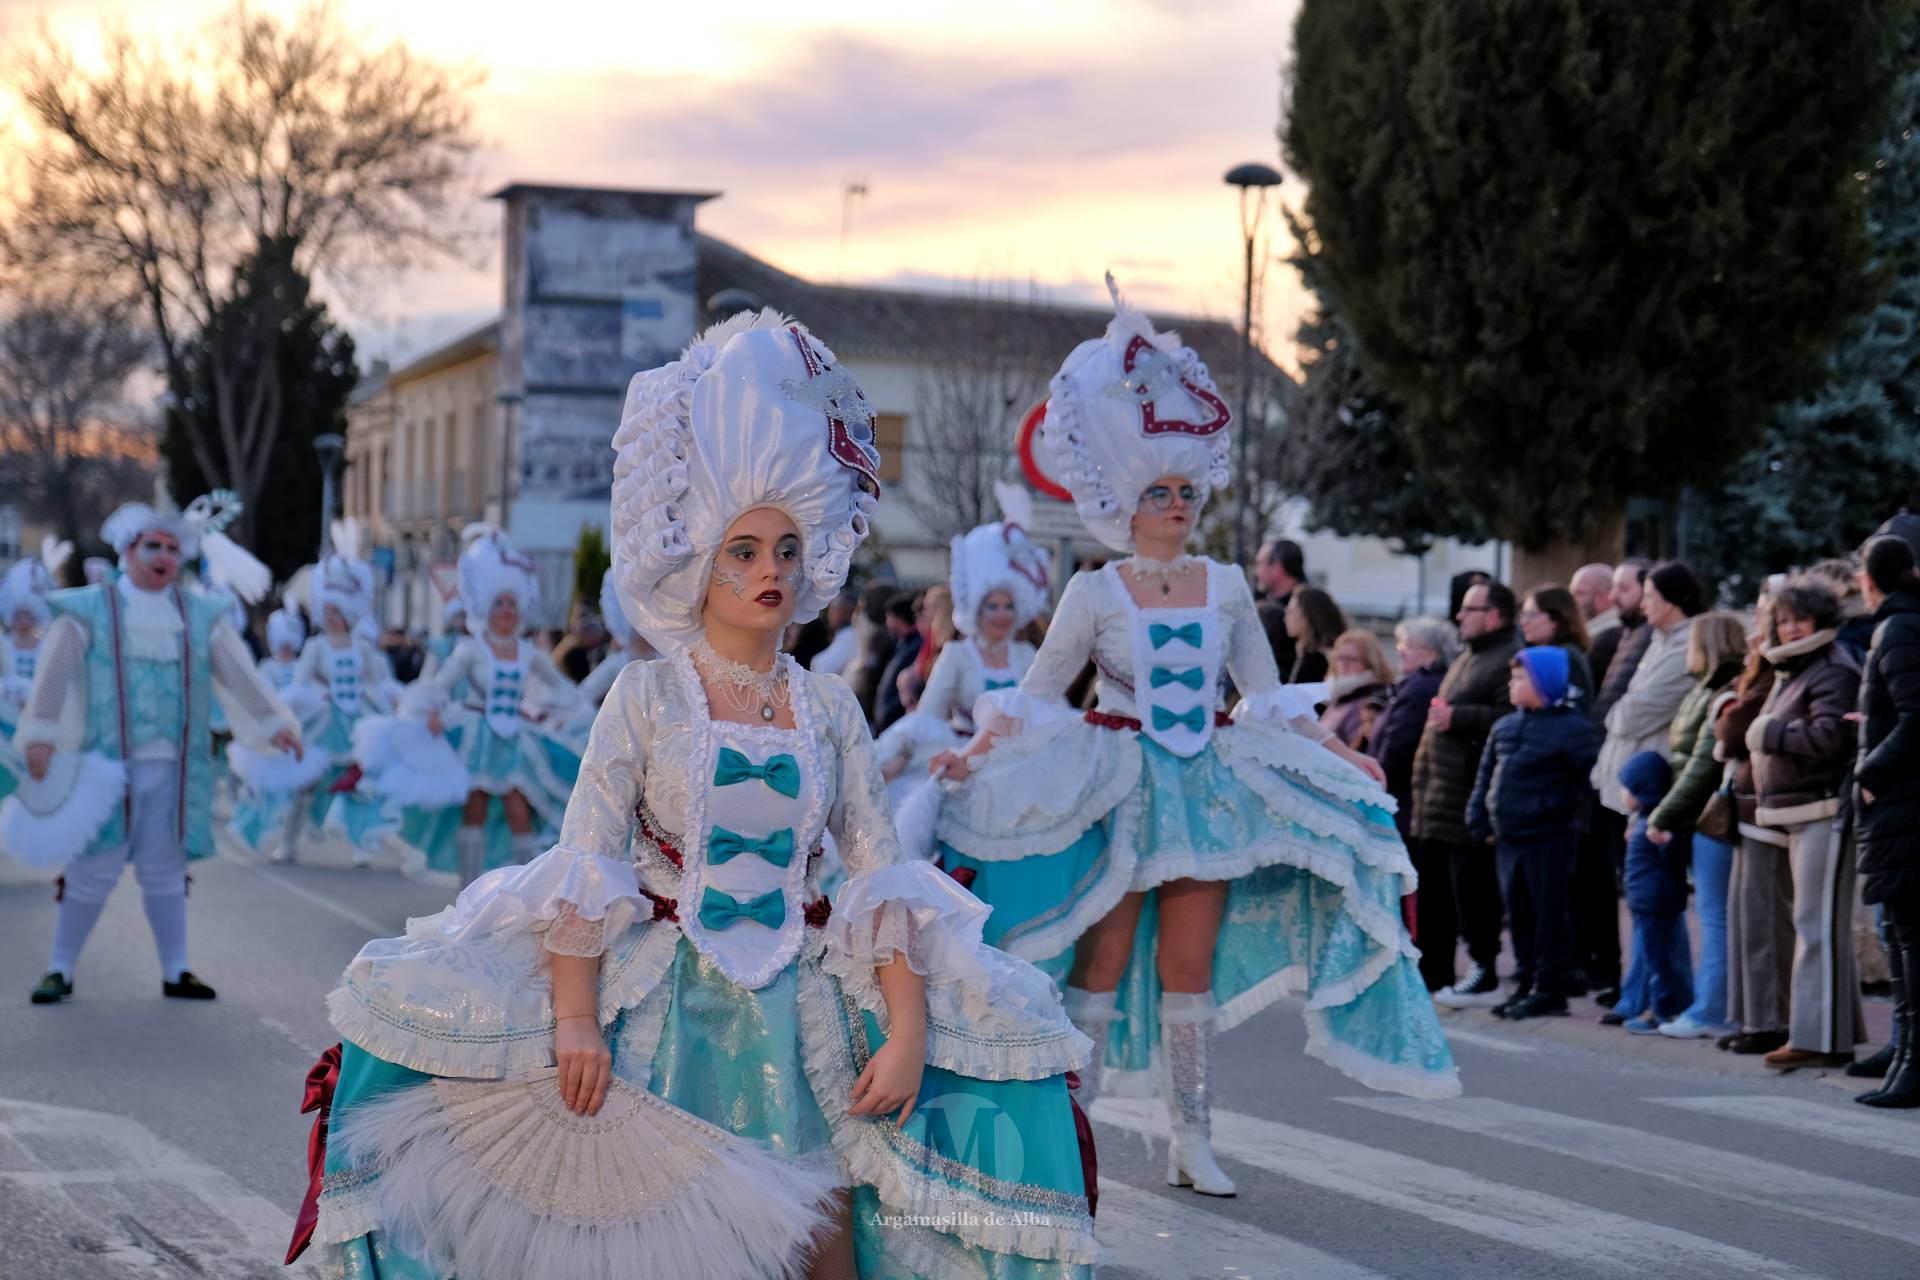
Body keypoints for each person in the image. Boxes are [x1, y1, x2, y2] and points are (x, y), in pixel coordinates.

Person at [301, 308, 1098, 1280]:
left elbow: (878, 877)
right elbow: (586, 860)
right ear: (700, 564)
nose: (771, 571)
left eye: (788, 550)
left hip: (801, 1016)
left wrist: (908, 1029)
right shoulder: (646, 695)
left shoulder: (830, 707)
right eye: (744, 550)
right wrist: (575, 1020)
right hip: (665, 1015)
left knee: (826, 1250)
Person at [930, 278, 1458, 1199]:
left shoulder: (1226, 587)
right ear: (1125, 503)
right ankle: (1074, 1132)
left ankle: (1192, 1138)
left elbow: (1266, 697)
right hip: (1115, 786)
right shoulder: (1094, 591)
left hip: (1206, 792)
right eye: (1160, 492)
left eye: (1186, 490)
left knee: (1188, 966)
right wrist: (973, 757)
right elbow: (1039, 694)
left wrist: (1342, 753)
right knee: (1101, 959)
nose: (1178, 504)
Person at [17, 487, 299, 1005]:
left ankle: (176, 970)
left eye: (172, 548)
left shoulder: (198, 614)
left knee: (166, 870)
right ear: (128, 551)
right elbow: (54, 674)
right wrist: (40, 735)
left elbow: (239, 674)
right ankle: (60, 967)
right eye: (153, 546)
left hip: (176, 770)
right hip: (106, 768)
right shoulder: (90, 609)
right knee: (92, 869)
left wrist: (273, 724)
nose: (164, 556)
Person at [369, 526, 589, 886]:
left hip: (515, 740)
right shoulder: (471, 650)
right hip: (479, 738)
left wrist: (561, 714)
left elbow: (561, 689)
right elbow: (439, 685)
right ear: (485, 606)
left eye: (512, 604)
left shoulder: (528, 653)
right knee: (476, 809)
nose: (506, 611)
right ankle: (468, 887)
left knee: (521, 811)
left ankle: (525, 890)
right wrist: (432, 712)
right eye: (499, 603)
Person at [1744, 578, 1865, 1071]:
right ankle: (1830, 1033)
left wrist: (1769, 732)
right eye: (1783, 620)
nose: (1790, 629)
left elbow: (1830, 737)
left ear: (1821, 619)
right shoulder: (1796, 666)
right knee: (1816, 925)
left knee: (1817, 927)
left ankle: (1816, 1039)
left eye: (1800, 619)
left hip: (1824, 810)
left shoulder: (1831, 667)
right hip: (1800, 812)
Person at [1466, 646, 1603, 1019]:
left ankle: (1549, 989)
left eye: (1520, 677)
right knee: (1519, 914)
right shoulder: (1505, 726)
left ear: (1544, 682)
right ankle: (1524, 982)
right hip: (1508, 836)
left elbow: (1590, 783)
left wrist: (1557, 811)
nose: (1512, 684)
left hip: (1550, 836)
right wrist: (1479, 819)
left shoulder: (1574, 729)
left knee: (1548, 915)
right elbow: (1485, 777)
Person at [1642, 612, 1750, 1038]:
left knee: (1715, 917)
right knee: (1715, 916)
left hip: (1712, 819)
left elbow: (1702, 766)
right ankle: (1714, 1007)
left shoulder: (1721, 694)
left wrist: (1663, 814)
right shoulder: (1707, 689)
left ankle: (1711, 1012)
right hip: (1702, 816)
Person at [1416, 580, 1523, 1007]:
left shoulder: (1507, 658)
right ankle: (1435, 971)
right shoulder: (1470, 654)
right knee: (1440, 892)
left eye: (1469, 609)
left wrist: (1460, 717)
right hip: (1439, 795)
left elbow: (1511, 717)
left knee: (1474, 892)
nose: (1459, 616)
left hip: (1467, 796)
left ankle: (1484, 972)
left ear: (1494, 616)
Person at [1851, 535, 1920, 1106]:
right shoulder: (1899, 625)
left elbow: (1916, 716)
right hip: (1898, 805)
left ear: (1870, 578)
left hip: (1902, 805)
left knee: (1907, 937)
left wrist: (1870, 768)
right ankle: (1904, 1059)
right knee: (1899, 935)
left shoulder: (1898, 628)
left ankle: (1913, 1064)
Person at [1369, 618, 1457, 977]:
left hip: (1408, 800)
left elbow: (1398, 745)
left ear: (1431, 653)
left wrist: (1375, 777)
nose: (1400, 651)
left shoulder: (1420, 689)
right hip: (1412, 799)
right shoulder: (1418, 685)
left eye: (1409, 645)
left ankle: (1428, 967)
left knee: (1423, 892)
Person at [1608, 750, 1694, 1031]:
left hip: (1656, 902)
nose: (1623, 794)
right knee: (1657, 955)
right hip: (1646, 902)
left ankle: (1661, 1010)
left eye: (1627, 789)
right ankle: (1664, 1004)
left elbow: (1675, 860)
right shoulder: (1642, 821)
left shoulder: (1656, 825)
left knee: (1660, 960)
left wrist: (1666, 842)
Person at [0, 539, 70, 802]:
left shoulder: (45, 645)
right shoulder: (4, 644)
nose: (22, 622)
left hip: (37, 715)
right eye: (18, 616)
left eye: (27, 615)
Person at [1590, 559, 1651, 715]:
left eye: (1624, 589)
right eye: (1613, 587)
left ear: (1648, 591)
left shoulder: (1650, 637)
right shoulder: (1628, 633)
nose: (1613, 596)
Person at [1320, 627, 1395, 751]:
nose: (1344, 664)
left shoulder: (1370, 699)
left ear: (1369, 663)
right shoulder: (1339, 694)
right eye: (1340, 657)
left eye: (1352, 659)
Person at [1518, 585, 1594, 699]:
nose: (1523, 622)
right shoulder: (1534, 653)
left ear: (1557, 619)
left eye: (1532, 615)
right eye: (1523, 614)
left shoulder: (1567, 658)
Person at [1255, 538, 1305, 680]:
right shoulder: (1260, 602)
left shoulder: (1309, 608)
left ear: (1277, 568)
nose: (1256, 571)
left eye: (1260, 564)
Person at [872, 592, 923, 732]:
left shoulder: (915, 646)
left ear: (897, 618)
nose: (887, 623)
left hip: (897, 726)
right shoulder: (901, 644)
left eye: (889, 617)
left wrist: (889, 714)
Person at [1283, 585, 1345, 685]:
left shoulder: (1316, 660)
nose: (1285, 618)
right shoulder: (1306, 652)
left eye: (1291, 612)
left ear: (1308, 616)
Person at [807, 588, 860, 676]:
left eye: (831, 610)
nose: (828, 615)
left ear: (841, 611)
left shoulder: (849, 634)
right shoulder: (845, 632)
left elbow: (824, 667)